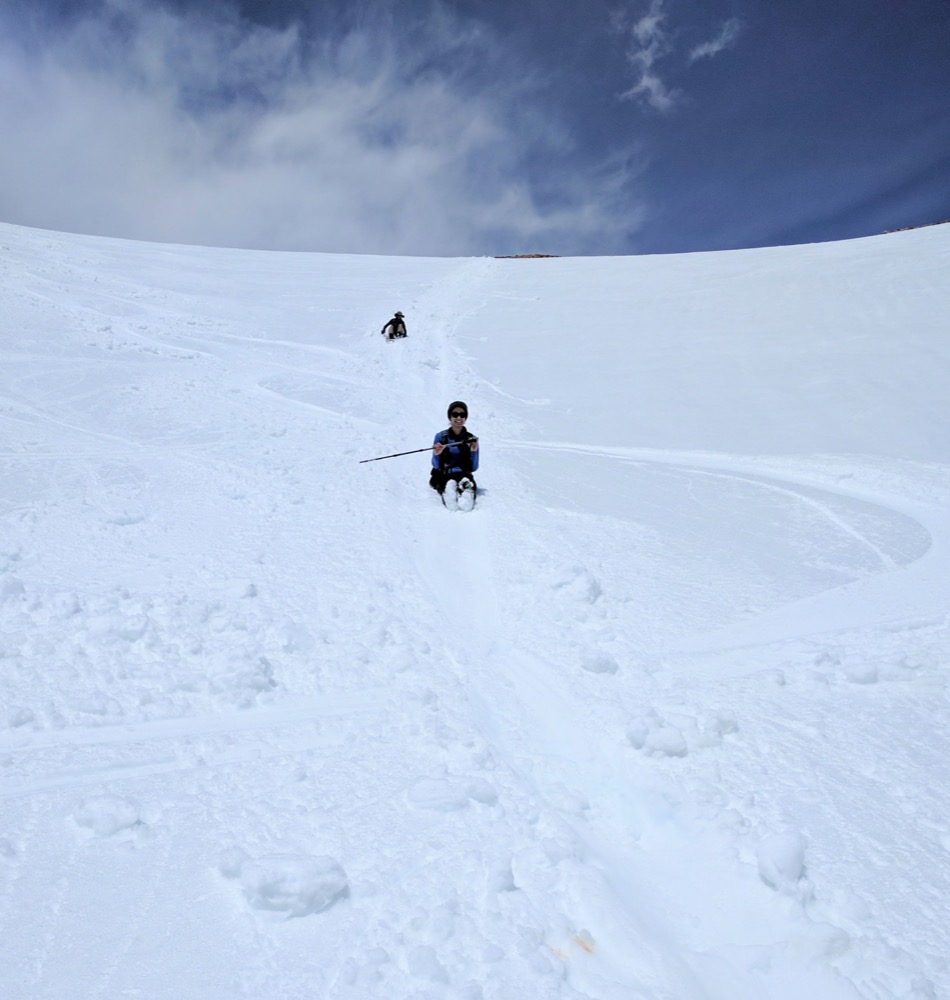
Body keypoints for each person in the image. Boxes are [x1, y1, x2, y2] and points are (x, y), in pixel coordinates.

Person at [430, 401, 478, 505]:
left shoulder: (471, 438)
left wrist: (474, 451)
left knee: (468, 483)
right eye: (455, 414)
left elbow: (474, 467)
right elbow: (435, 465)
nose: (459, 418)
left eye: (462, 415)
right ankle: (449, 491)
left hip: (464, 473)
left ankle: (466, 492)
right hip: (445, 473)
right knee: (445, 483)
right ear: (450, 417)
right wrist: (437, 454)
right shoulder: (441, 437)